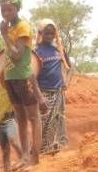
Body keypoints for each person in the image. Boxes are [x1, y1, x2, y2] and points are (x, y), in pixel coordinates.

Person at [0, 0, 43, 169]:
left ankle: (35, 157)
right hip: (11, 78)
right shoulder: (9, 27)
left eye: (8, 9)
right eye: (2, 9)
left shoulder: (23, 26)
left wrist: (4, 35)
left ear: (16, 8)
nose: (5, 13)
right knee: (21, 119)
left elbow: (17, 55)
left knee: (33, 117)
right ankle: (24, 157)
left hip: (23, 77)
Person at [35, 19, 71, 155]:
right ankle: (43, 150)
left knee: (58, 119)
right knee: (44, 122)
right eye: (46, 32)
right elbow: (32, 76)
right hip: (44, 93)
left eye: (52, 32)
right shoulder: (36, 52)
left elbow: (68, 66)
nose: (50, 35)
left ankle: (57, 148)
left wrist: (63, 52)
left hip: (58, 91)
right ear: (40, 33)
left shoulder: (58, 49)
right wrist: (38, 97)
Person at [0, 52, 24, 172]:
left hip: (10, 117)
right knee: (4, 149)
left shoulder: (7, 79)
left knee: (14, 141)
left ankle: (24, 164)